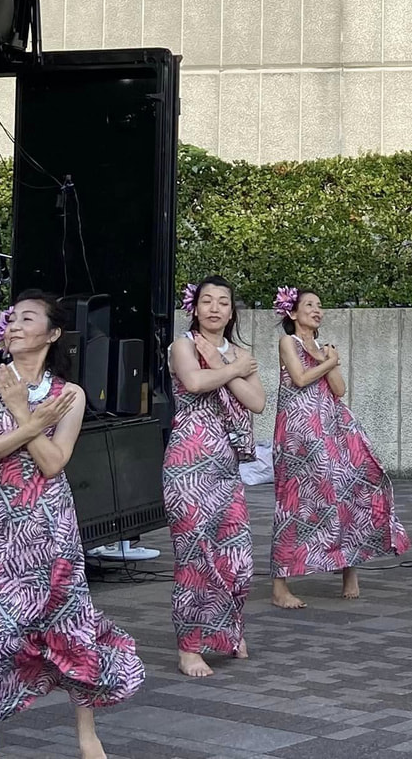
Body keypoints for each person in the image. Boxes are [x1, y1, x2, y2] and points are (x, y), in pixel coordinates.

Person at [0, 290, 143, 759]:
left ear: (53, 333)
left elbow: (54, 463)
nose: (15, 325)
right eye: (12, 318)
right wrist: (28, 423)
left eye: (27, 318)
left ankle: (87, 738)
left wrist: (23, 414)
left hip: (51, 528)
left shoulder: (71, 395)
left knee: (70, 627)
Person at [270, 287, 410, 609]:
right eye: (309, 305)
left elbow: (339, 389)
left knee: (351, 487)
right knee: (294, 502)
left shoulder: (322, 346)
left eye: (319, 306)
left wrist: (330, 361)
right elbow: (300, 378)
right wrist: (327, 361)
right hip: (298, 431)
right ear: (292, 313)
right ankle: (280, 585)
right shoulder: (288, 342)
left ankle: (349, 566)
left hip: (331, 428)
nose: (316, 310)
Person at [163, 276, 265, 678]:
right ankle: (189, 648)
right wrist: (234, 370)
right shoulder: (183, 345)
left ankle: (227, 630)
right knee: (194, 554)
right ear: (195, 307)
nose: (215, 308)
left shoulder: (238, 353)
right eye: (207, 301)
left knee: (237, 557)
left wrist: (229, 364)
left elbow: (256, 401)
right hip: (188, 462)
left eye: (223, 302)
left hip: (225, 467)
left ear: (232, 310)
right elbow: (195, 381)